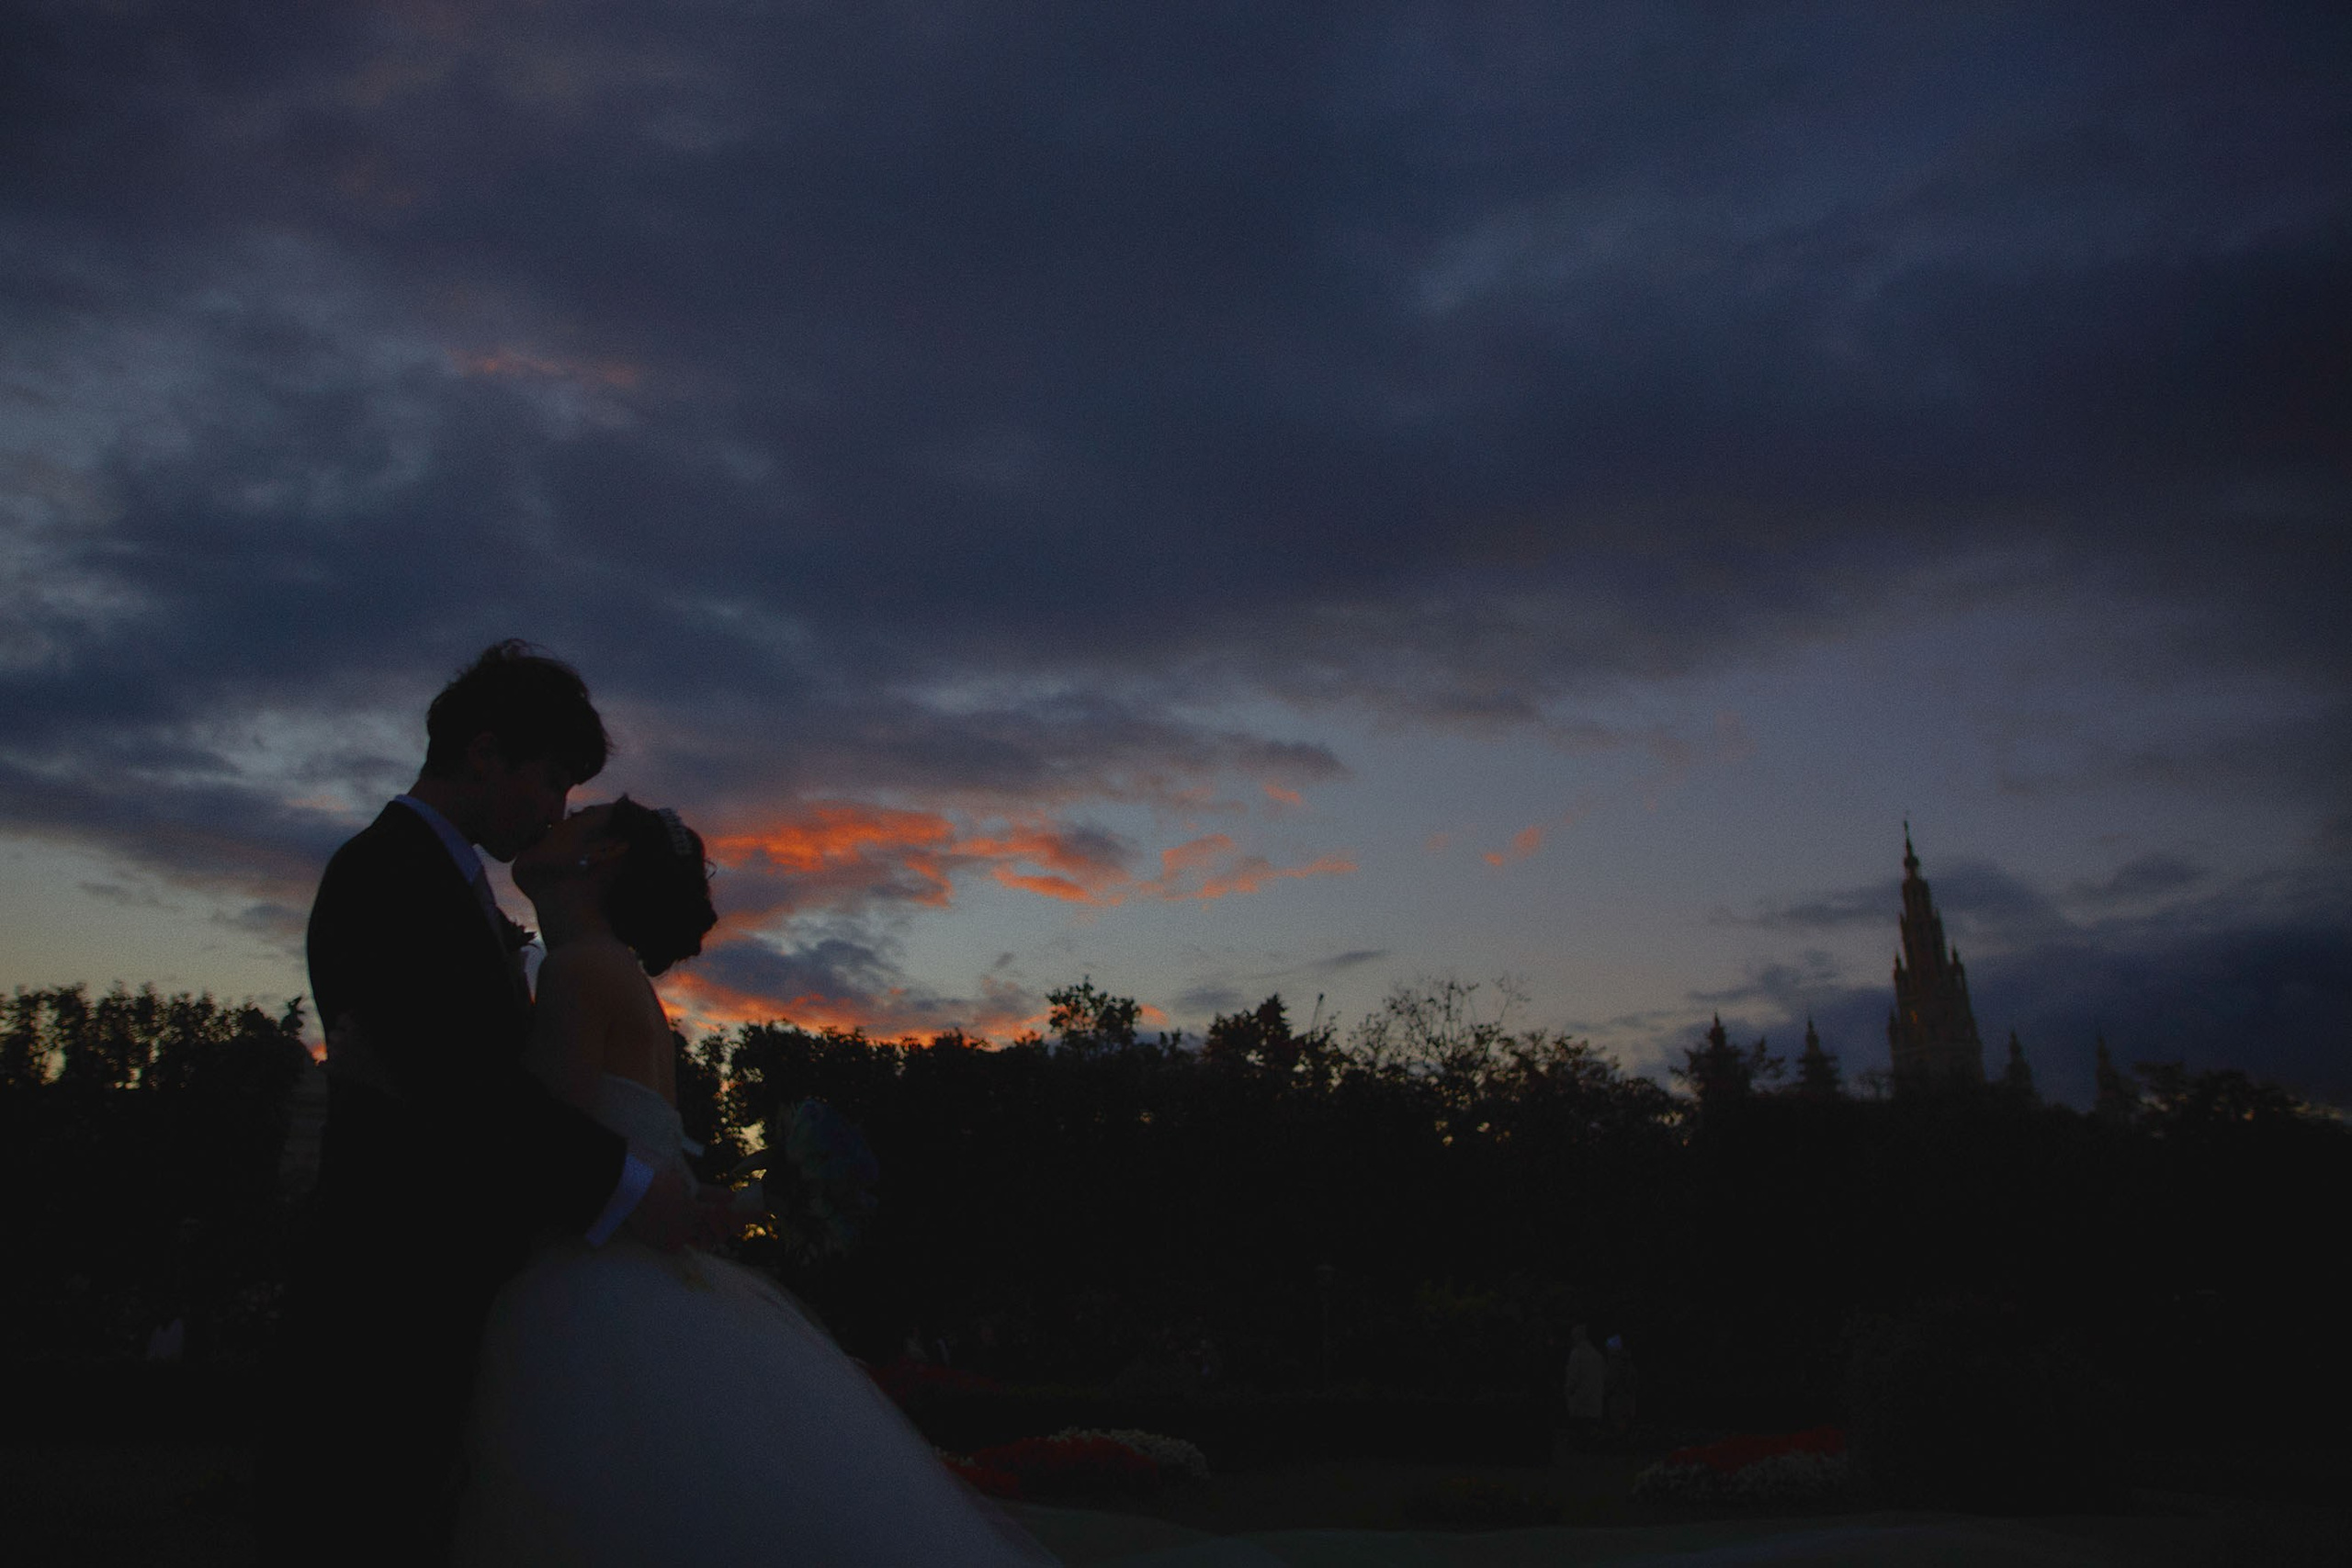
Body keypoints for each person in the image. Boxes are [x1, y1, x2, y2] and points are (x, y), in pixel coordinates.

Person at [451, 796, 1056, 1565]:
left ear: (600, 855)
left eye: (581, 814)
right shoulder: (625, 982)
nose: (553, 819)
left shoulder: (577, 972)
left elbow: (536, 1154)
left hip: (580, 1295)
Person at [256, 643, 733, 1568]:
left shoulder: (451, 887)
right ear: (484, 755)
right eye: (551, 781)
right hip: (381, 1312)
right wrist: (636, 1189)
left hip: (430, 1309)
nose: (556, 810)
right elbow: (473, 1098)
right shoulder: (388, 872)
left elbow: (457, 1082)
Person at [1562, 1322, 1605, 1445]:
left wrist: (1568, 1394)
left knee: (1581, 1437)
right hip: (1595, 1403)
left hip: (1580, 1403)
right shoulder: (1597, 1356)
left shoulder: (1577, 1354)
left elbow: (1572, 1379)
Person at [1603, 1333, 1639, 1439]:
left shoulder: (1616, 1364)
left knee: (1620, 1422)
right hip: (1626, 1399)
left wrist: (1607, 1391)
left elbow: (1611, 1381)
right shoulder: (1627, 1363)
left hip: (1619, 1399)